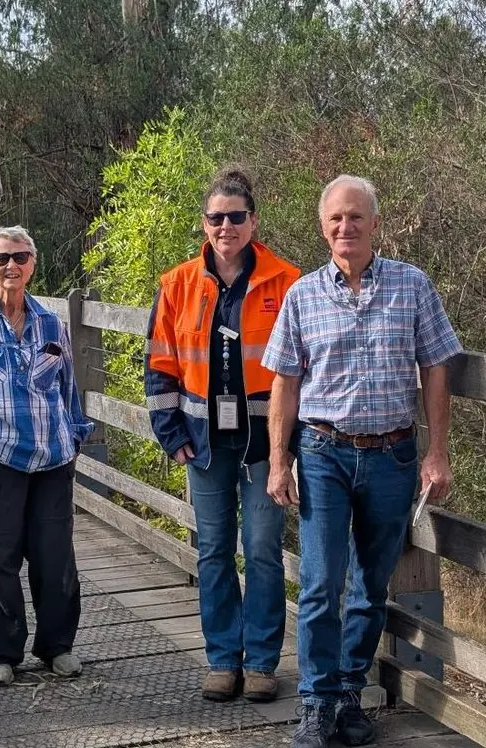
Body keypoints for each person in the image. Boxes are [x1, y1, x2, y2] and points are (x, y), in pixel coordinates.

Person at [261, 176, 462, 747]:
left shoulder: (412, 285)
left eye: (355, 217)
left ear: (375, 223)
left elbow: (437, 367)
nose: (345, 227)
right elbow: (285, 383)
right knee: (321, 583)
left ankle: (349, 692)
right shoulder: (302, 295)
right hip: (323, 452)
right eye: (335, 219)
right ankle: (316, 702)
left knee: (370, 586)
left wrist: (438, 452)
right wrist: (278, 460)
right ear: (322, 227)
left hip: (392, 455)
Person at [144, 169, 300, 703]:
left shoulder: (288, 282)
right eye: (216, 217)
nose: (225, 226)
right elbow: (160, 364)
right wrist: (170, 433)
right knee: (212, 550)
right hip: (203, 442)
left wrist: (288, 447)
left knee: (261, 549)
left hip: (264, 444)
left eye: (236, 216)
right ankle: (222, 659)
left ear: (253, 221)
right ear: (204, 223)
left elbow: (302, 371)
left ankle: (261, 662)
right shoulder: (177, 284)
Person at [0, 226, 94, 686]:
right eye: (2, 258)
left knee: (55, 558)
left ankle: (57, 646)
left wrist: (75, 436)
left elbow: (68, 388)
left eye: (20, 257)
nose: (12, 265)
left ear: (33, 263)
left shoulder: (51, 324)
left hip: (53, 458)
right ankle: (3, 652)